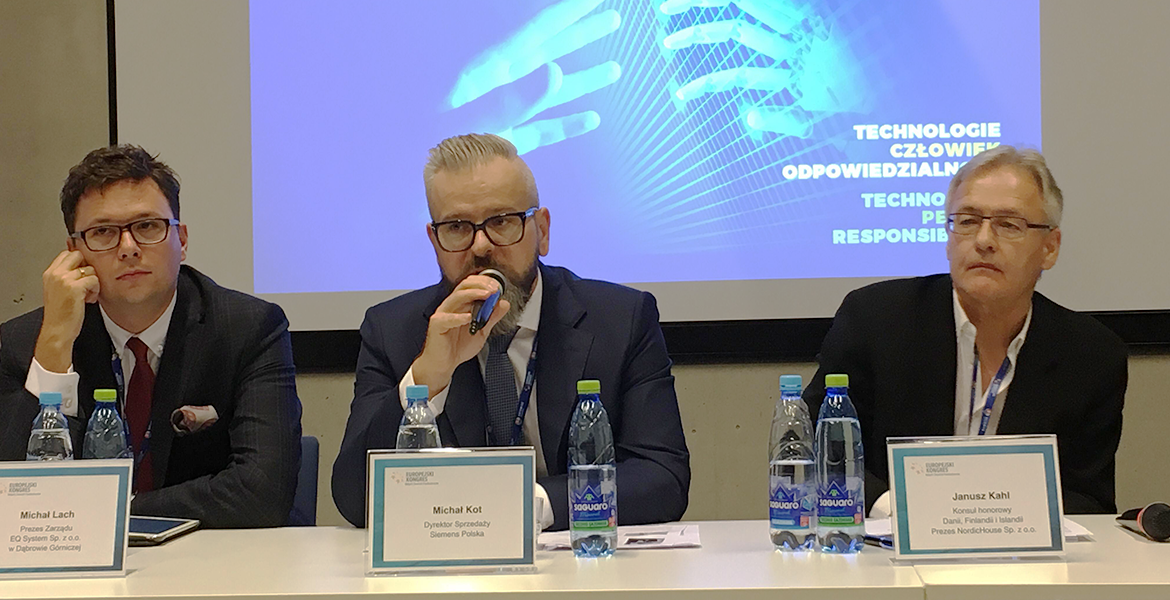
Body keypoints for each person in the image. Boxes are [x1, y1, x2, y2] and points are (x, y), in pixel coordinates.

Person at [332, 133, 690, 529]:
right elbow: (354, 498)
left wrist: (528, 505)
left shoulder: (620, 320)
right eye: (457, 227)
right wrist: (427, 378)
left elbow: (662, 477)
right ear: (435, 241)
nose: (480, 247)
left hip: (575, 554)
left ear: (542, 230)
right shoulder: (393, 331)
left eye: (501, 222)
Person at [803, 145, 1127, 515]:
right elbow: (814, 445)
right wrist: (899, 510)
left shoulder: (1091, 355)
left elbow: (1088, 498)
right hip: (888, 540)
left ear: (1050, 248)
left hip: (1022, 549)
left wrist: (998, 519)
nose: (984, 240)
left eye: (1009, 225)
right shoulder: (875, 320)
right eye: (968, 221)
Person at [0, 145, 303, 527]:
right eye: (103, 232)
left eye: (147, 227)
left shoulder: (248, 329)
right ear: (74, 252)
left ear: (182, 240)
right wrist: (56, 345)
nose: (128, 248)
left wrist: (113, 514)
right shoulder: (26, 341)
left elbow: (262, 492)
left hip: (213, 554)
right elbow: (12, 499)